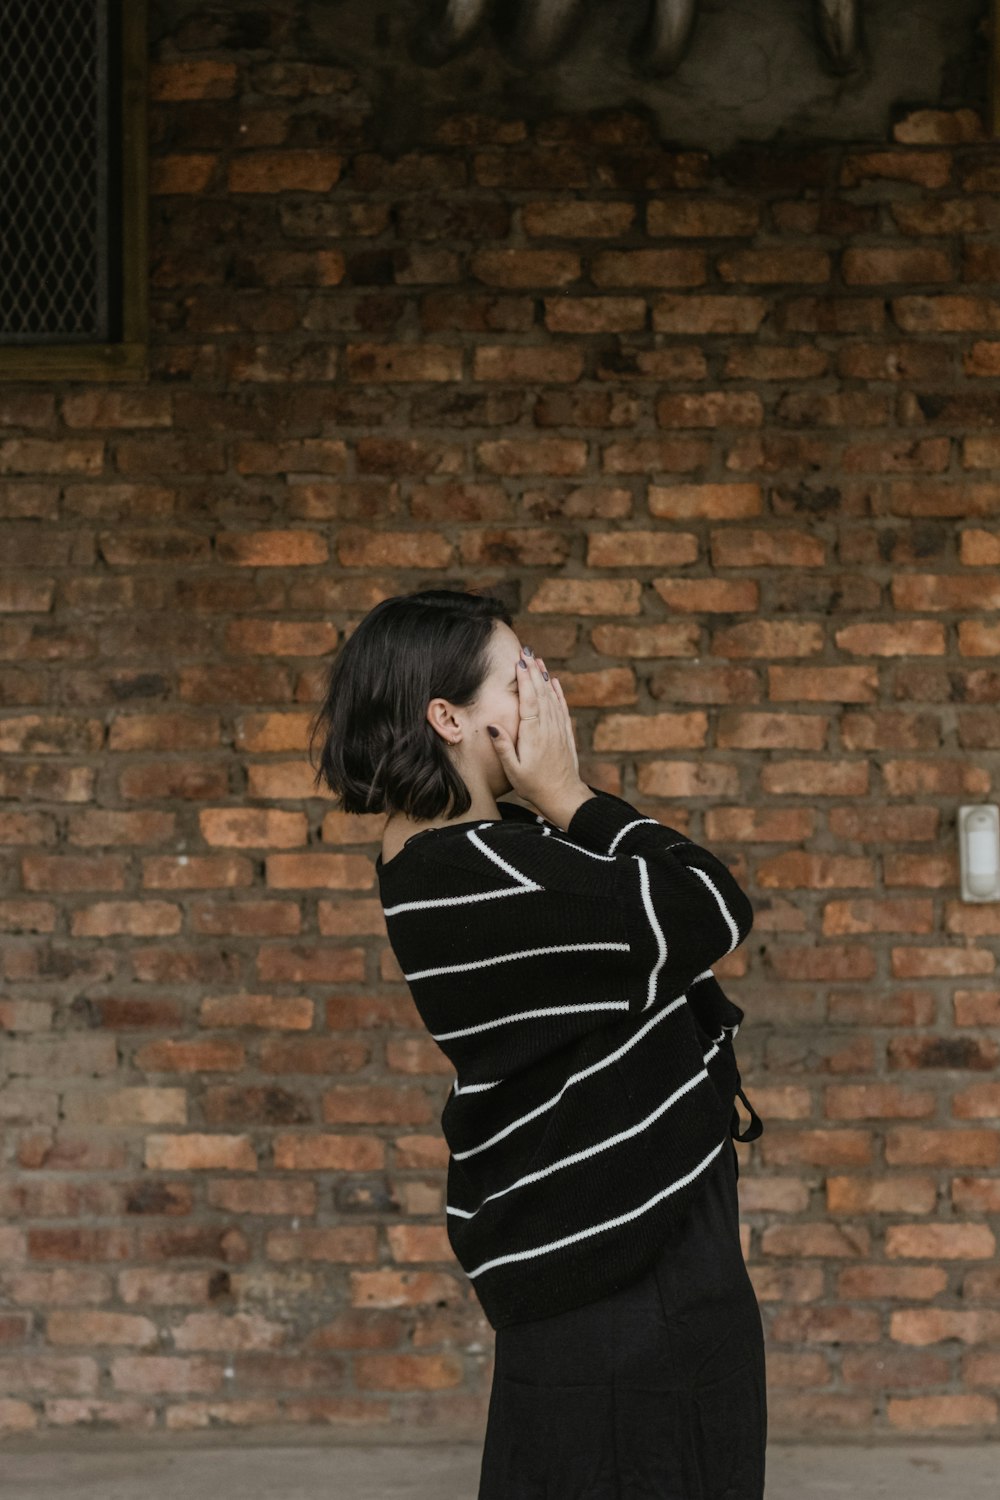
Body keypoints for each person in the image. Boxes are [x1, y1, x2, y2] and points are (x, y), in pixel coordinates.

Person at [309, 587, 767, 1499]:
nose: (546, 693)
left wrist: (556, 811)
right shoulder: (480, 871)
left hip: (614, 1253)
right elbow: (710, 907)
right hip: (631, 1279)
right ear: (449, 717)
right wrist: (573, 795)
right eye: (521, 676)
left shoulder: (475, 852)